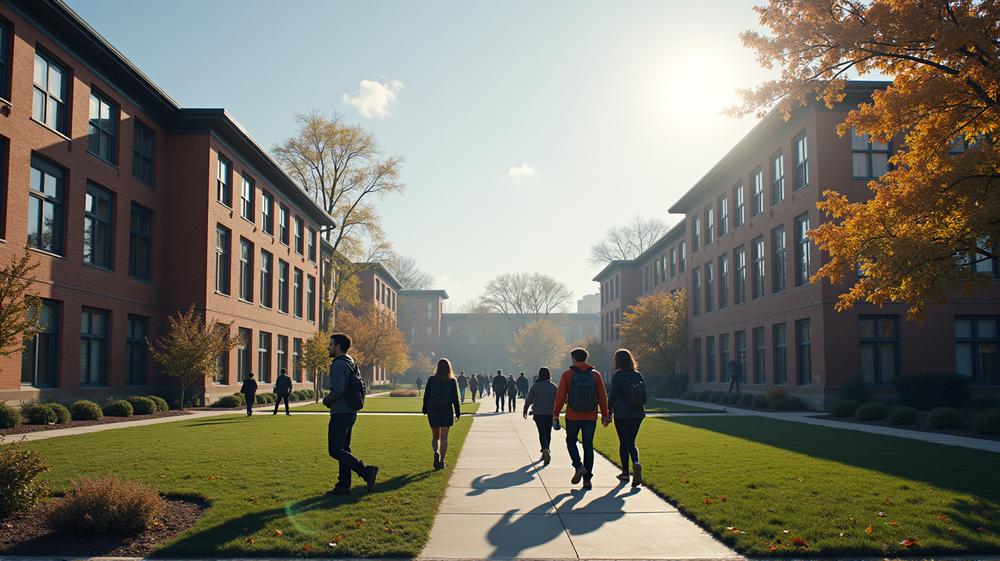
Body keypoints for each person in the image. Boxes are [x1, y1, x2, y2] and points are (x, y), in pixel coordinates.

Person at [322, 332, 379, 496]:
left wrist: (326, 400)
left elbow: (338, 390)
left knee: (334, 449)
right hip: (351, 411)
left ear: (338, 347)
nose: (329, 347)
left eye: (331, 344)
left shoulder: (338, 364)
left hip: (341, 412)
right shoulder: (351, 362)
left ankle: (366, 471)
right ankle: (343, 485)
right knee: (344, 448)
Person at [553, 347, 609, 490]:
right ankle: (587, 480)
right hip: (590, 415)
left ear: (573, 359)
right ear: (585, 358)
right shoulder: (595, 374)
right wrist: (605, 415)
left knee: (571, 441)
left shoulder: (567, 374)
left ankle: (578, 466)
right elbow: (602, 396)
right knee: (588, 446)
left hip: (573, 415)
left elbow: (560, 396)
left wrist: (556, 413)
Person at [606, 349, 646, 487]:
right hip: (638, 412)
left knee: (624, 443)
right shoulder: (637, 374)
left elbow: (613, 395)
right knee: (631, 442)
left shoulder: (618, 376)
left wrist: (607, 411)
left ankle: (625, 472)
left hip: (622, 413)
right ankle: (636, 463)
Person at [422, 358, 462, 470]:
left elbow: (427, 396)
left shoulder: (431, 380)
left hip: (433, 411)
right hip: (446, 411)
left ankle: (436, 451)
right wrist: (457, 413)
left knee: (435, 437)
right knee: (444, 438)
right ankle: (442, 462)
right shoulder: (452, 381)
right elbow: (455, 398)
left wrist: (425, 409)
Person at [523, 366, 558, 465]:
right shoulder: (553, 386)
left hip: (538, 412)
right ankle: (547, 449)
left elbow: (529, 399)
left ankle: (545, 449)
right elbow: (559, 399)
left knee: (541, 432)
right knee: (548, 432)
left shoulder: (535, 386)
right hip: (550, 412)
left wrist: (525, 410)